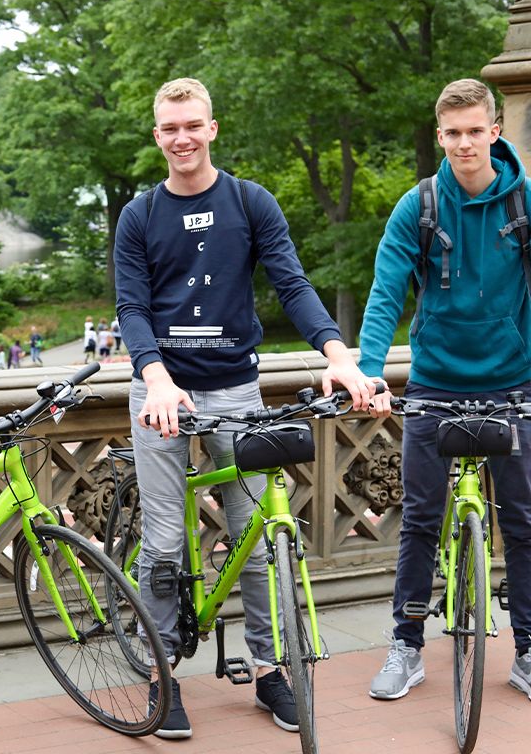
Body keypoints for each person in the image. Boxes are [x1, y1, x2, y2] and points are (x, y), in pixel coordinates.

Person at [114, 78, 375, 739]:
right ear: (157, 136)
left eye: (192, 125)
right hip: (161, 389)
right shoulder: (140, 215)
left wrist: (339, 356)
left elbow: (291, 281)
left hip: (235, 388)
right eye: (170, 127)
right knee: (166, 544)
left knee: (257, 541)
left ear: (212, 128)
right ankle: (160, 674)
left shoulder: (249, 202)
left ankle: (268, 672)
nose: (182, 137)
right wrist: (158, 377)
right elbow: (133, 308)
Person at [359, 79, 531, 703]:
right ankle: (406, 645)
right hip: (434, 381)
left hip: (514, 380)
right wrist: (371, 369)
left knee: (524, 520)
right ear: (441, 136)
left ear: (495, 131)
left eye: (474, 131)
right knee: (421, 521)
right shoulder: (420, 206)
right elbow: (385, 292)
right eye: (452, 133)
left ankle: (529, 649)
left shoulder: (525, 203)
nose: (464, 143)